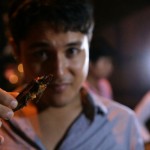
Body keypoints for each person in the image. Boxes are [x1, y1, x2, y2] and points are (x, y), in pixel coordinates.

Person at [0, 0, 144, 149]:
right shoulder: (2, 123)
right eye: (41, 53)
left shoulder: (124, 124)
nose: (59, 71)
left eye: (72, 51)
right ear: (16, 50)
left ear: (88, 44)